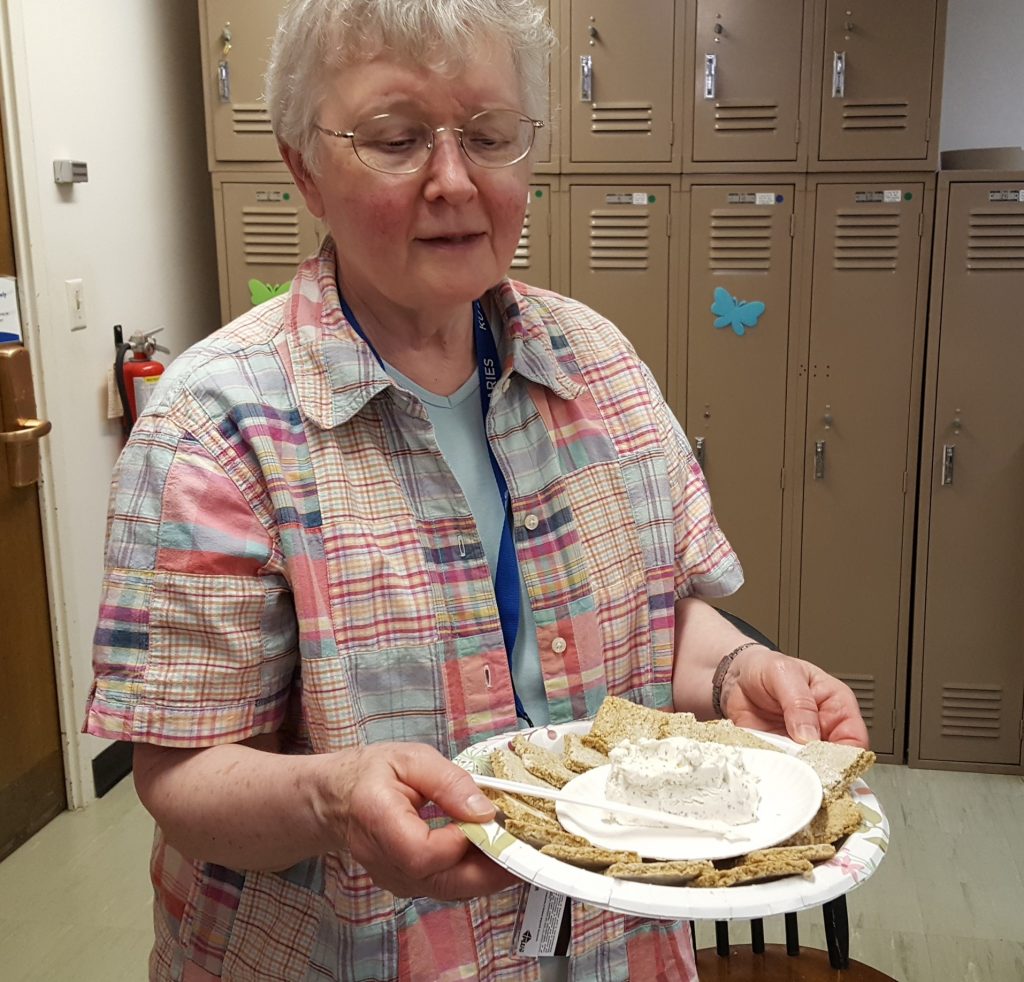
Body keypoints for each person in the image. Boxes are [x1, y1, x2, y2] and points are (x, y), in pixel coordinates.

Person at [84, 1, 869, 979]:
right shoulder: (215, 427)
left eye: (489, 136)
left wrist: (730, 676)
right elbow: (180, 771)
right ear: (303, 168)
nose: (453, 180)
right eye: (396, 138)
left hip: (607, 948)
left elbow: (657, 618)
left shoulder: (598, 369)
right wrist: (335, 798)